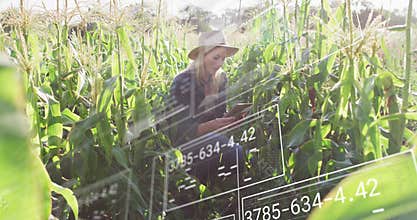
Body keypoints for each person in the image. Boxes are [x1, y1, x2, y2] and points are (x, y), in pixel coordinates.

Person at [167, 30, 244, 186]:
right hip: (185, 148)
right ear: (202, 56)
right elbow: (180, 131)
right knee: (233, 149)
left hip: (213, 141)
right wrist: (213, 125)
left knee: (235, 149)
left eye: (223, 58)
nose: (220, 63)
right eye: (216, 57)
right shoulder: (183, 82)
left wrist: (230, 120)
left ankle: (230, 194)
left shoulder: (220, 79)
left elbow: (221, 113)